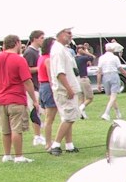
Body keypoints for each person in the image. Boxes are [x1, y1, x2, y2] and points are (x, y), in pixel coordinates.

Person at [0, 34, 38, 163]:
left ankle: (7, 155)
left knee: (5, 129)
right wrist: (34, 100)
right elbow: (27, 81)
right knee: (16, 129)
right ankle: (19, 156)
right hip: (15, 98)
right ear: (17, 43)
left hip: (0, 98)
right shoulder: (19, 59)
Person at [48, 27, 81, 155]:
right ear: (60, 34)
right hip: (64, 90)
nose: (71, 36)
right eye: (68, 33)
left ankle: (69, 145)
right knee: (69, 117)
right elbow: (59, 73)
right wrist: (69, 88)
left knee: (69, 117)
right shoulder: (57, 50)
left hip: (69, 87)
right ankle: (55, 145)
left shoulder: (63, 49)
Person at [97, 42, 126, 120]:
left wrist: (98, 83)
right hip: (113, 75)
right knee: (113, 96)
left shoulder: (101, 58)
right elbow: (121, 69)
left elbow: (99, 71)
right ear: (113, 49)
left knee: (111, 97)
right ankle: (106, 113)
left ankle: (118, 113)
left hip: (105, 76)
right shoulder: (115, 58)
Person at [22, 30, 46, 146]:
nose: (43, 40)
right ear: (35, 39)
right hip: (33, 85)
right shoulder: (30, 52)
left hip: (38, 84)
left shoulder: (37, 52)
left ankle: (39, 134)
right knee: (35, 111)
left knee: (39, 111)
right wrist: (41, 67)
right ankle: (37, 136)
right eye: (41, 38)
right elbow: (27, 69)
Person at [37, 36, 58, 150]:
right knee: (49, 118)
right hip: (48, 87)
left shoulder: (41, 57)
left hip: (42, 87)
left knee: (48, 117)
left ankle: (49, 142)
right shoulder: (48, 59)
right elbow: (51, 78)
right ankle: (48, 143)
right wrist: (55, 90)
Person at [75, 43, 94, 118]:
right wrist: (85, 52)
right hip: (83, 79)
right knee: (90, 97)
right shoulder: (83, 58)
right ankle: (80, 109)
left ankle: (82, 115)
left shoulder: (74, 58)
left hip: (77, 79)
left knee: (80, 98)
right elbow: (92, 57)